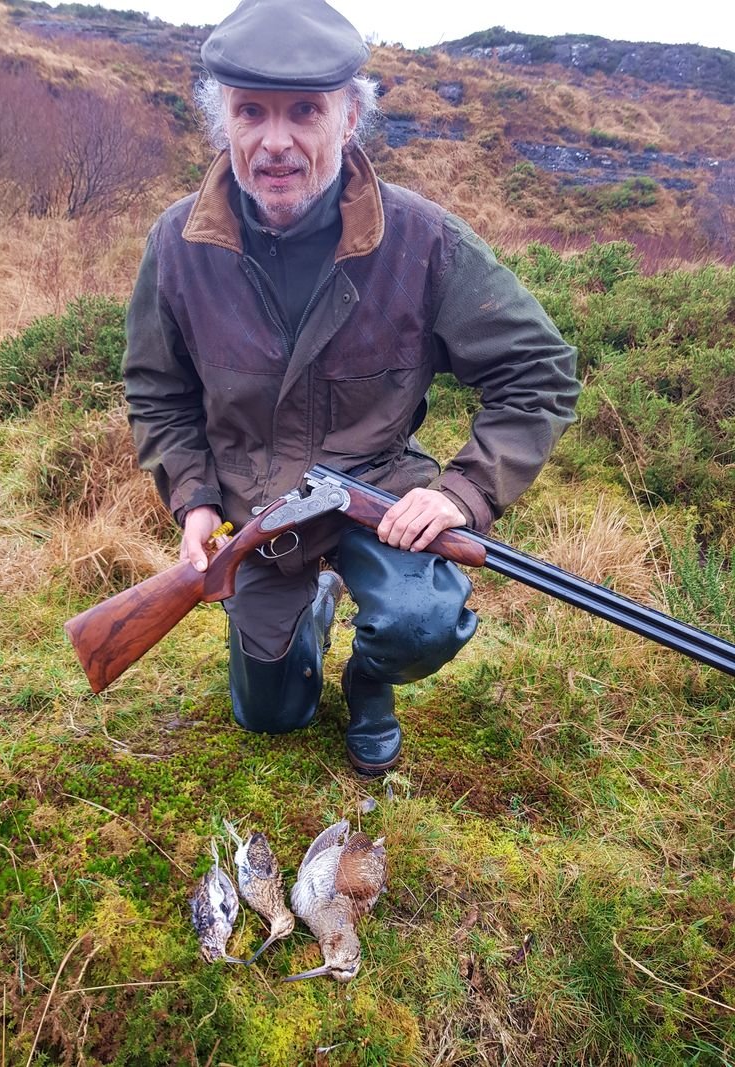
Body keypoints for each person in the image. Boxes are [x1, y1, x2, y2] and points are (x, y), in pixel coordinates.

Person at [123, 0, 580, 775]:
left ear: (350, 118)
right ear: (221, 120)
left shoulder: (423, 240)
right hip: (255, 513)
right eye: (251, 111)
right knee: (270, 717)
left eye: (305, 111)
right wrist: (194, 497)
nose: (275, 141)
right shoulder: (176, 244)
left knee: (422, 620)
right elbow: (157, 388)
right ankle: (309, 615)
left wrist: (463, 494)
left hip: (376, 496)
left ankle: (369, 682)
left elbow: (539, 373)